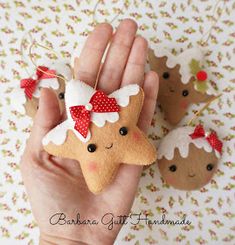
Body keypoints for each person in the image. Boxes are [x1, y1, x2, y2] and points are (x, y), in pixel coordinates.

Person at [20, 19, 159, 245]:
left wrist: (59, 238)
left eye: (122, 131)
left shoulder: (128, 100)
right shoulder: (72, 132)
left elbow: (133, 95)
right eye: (90, 147)